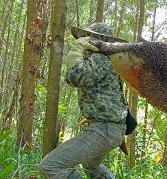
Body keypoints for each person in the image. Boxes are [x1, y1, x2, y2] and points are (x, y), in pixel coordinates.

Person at [39, 23, 128, 178]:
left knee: (50, 165)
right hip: (110, 129)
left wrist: (76, 50)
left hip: (105, 129)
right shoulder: (110, 61)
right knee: (91, 168)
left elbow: (75, 76)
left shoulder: (102, 59)